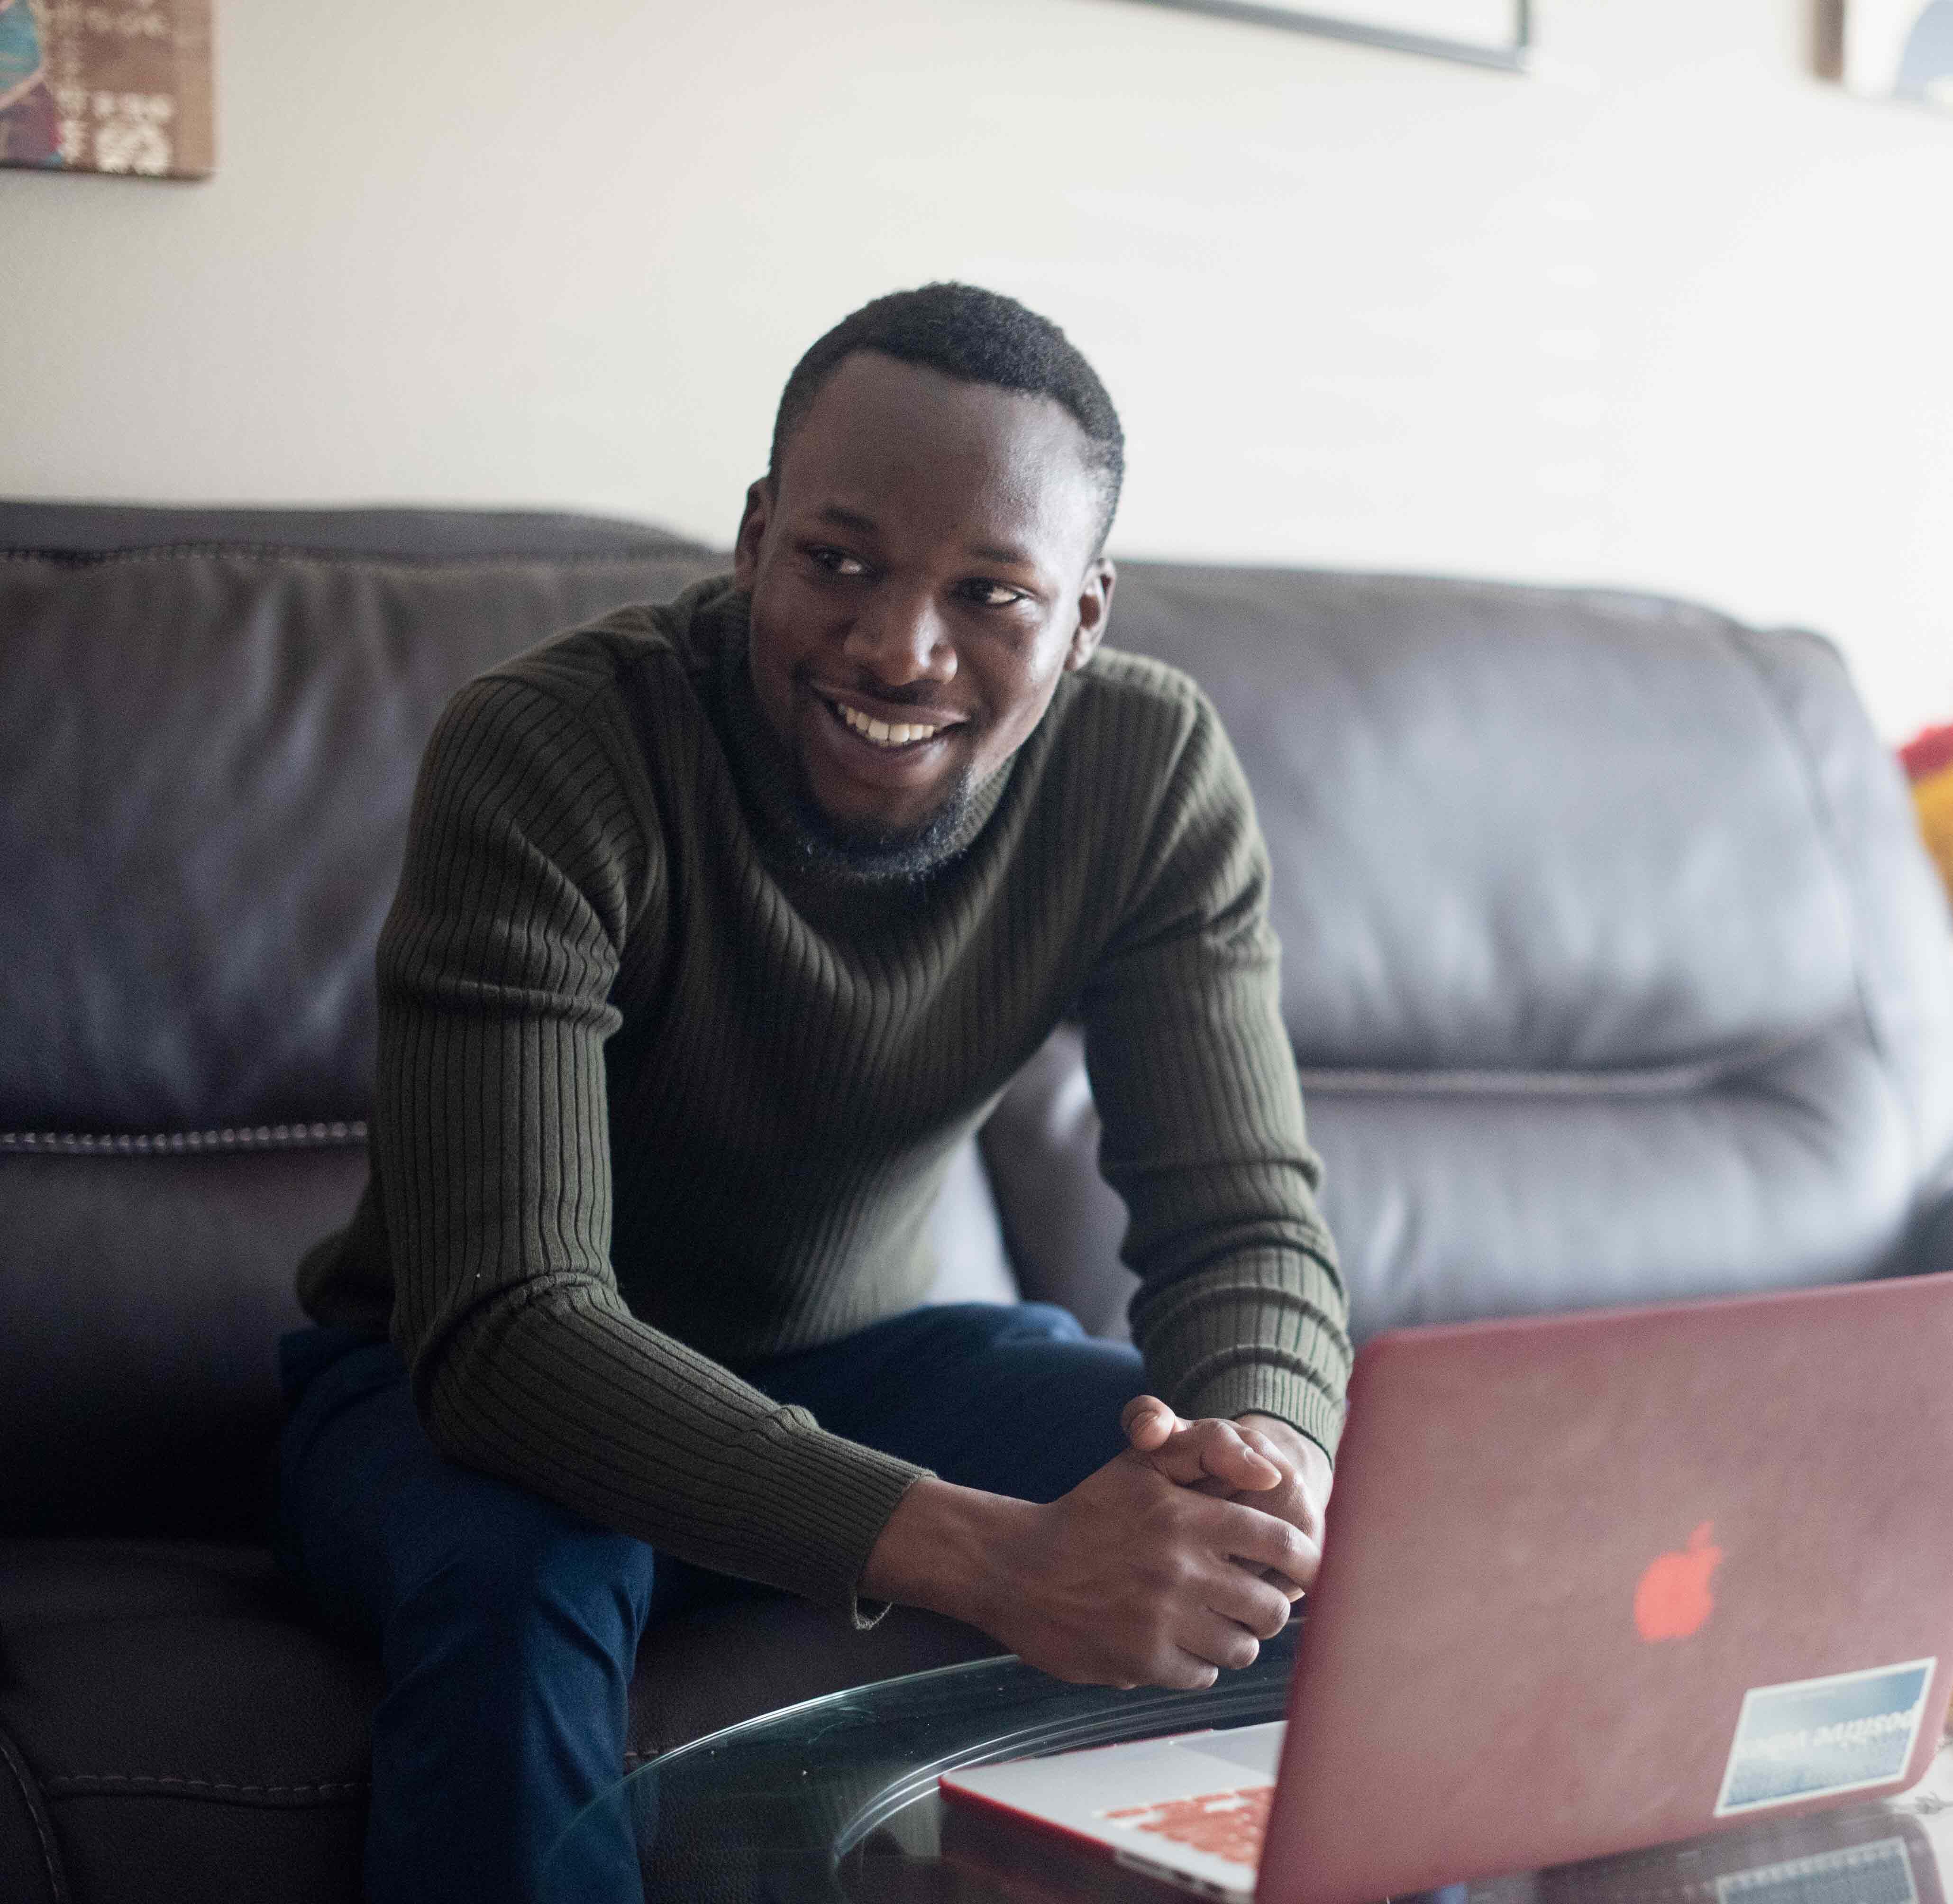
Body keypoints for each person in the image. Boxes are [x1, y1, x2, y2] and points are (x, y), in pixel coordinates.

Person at [274, 282, 1353, 1904]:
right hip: (452, 1395)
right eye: (840, 562)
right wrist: (995, 1561)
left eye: (993, 593)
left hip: (863, 1364)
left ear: (1084, 616)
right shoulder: (555, 753)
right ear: (756, 535)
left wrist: (1268, 1471)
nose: (898, 648)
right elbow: (511, 1326)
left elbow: (1242, 1221)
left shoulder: (1148, 775)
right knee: (530, 1573)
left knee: (1304, 1535)